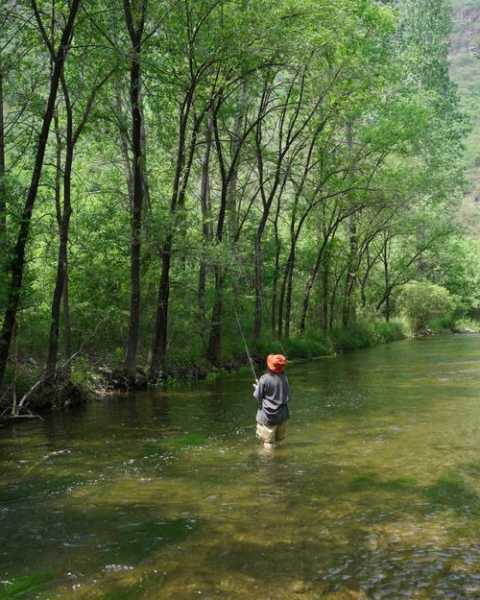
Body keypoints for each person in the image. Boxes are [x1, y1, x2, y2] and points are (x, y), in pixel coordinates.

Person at [253, 354, 290, 448]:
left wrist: (257, 388)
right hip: (283, 415)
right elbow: (287, 395)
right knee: (281, 441)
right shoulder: (285, 378)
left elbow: (257, 396)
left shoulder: (264, 379)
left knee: (268, 444)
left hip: (269, 417)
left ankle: (270, 462)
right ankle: (283, 460)